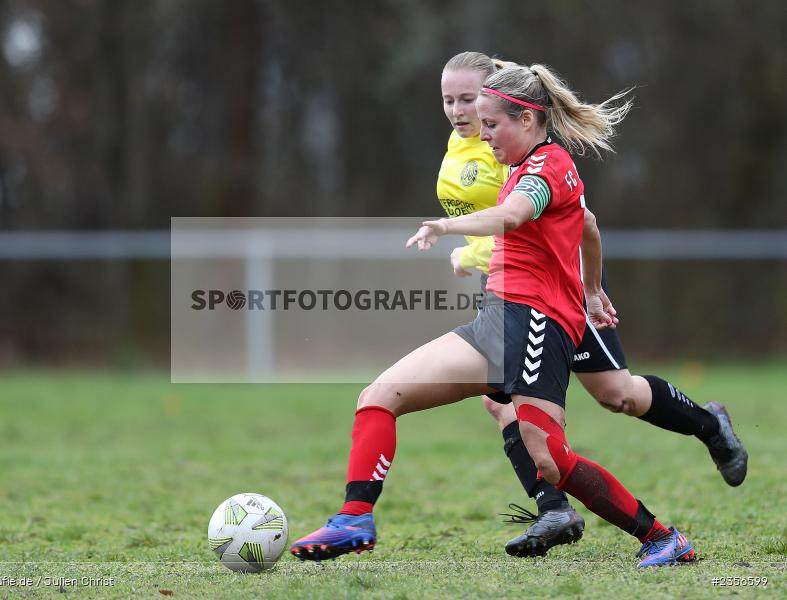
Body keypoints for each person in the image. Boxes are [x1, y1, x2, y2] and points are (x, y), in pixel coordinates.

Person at [291, 61, 698, 567]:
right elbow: (588, 225)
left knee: (551, 459)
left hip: (535, 325)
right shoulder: (521, 166)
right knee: (377, 397)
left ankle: (661, 537)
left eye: (491, 125)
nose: (483, 137)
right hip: (495, 320)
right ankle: (353, 519)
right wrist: (592, 288)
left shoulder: (548, 167)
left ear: (526, 119)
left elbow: (512, 216)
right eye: (479, 125)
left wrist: (444, 227)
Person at [437, 53, 747, 559]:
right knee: (500, 401)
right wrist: (469, 254)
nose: (457, 109)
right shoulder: (471, 150)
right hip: (513, 300)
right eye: (448, 99)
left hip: (560, 296)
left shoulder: (524, 151)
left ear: (503, 104)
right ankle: (554, 506)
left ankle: (711, 426)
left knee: (616, 394)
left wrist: (591, 288)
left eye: (468, 99)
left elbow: (582, 223)